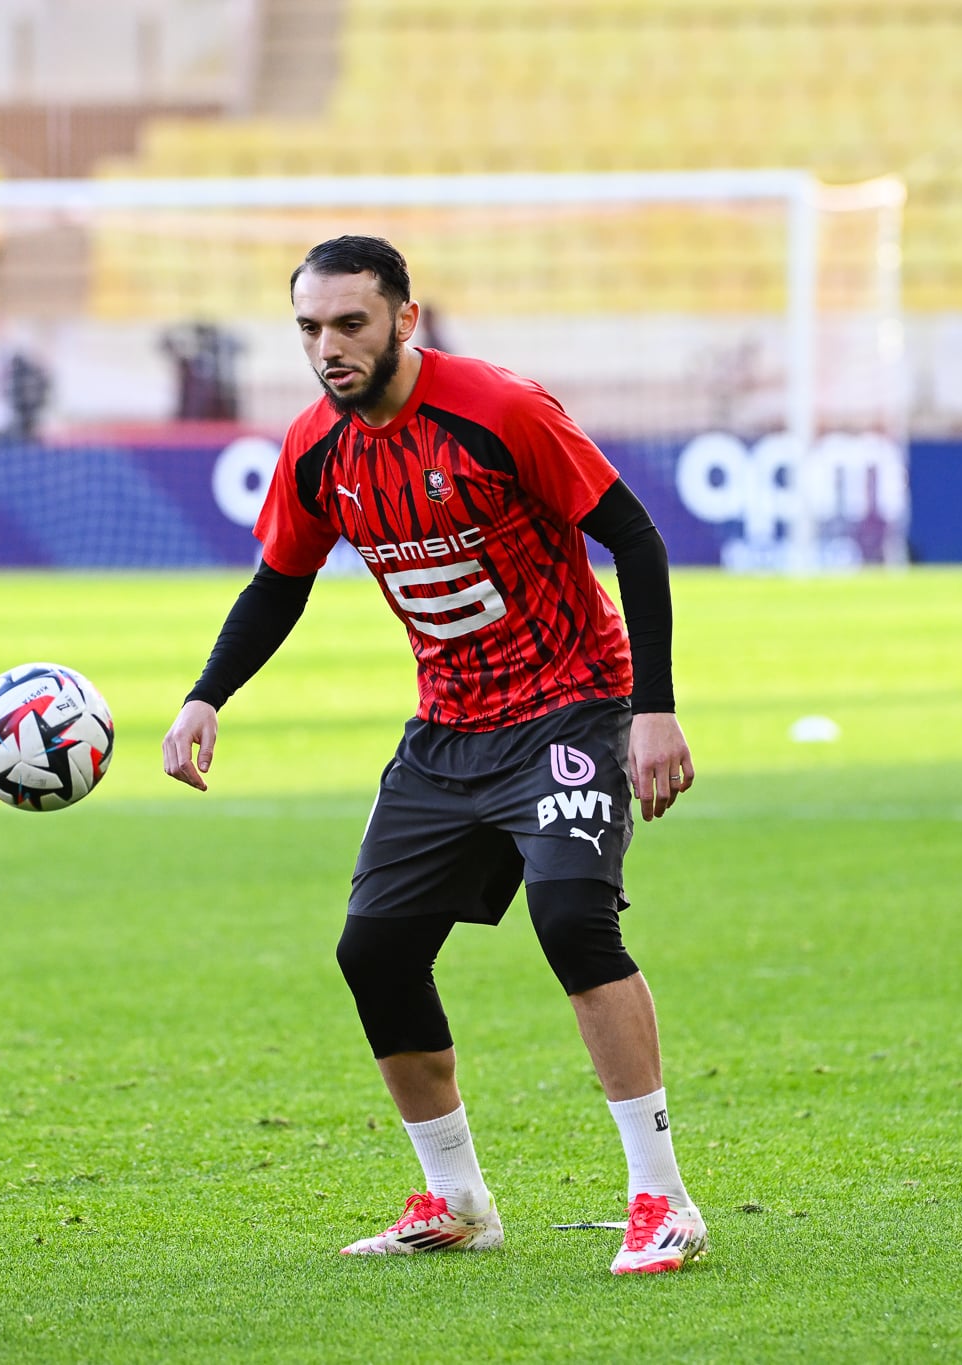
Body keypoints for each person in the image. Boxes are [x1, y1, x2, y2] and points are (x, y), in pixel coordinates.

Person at [162, 237, 707, 1274]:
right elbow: (277, 583)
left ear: (405, 320)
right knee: (372, 952)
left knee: (571, 920)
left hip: (569, 708)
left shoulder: (497, 409)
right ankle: (455, 1202)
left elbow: (632, 536)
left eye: (349, 324)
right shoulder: (315, 449)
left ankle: (661, 1198)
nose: (327, 348)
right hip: (447, 728)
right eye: (309, 329)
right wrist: (205, 696)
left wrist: (653, 709)